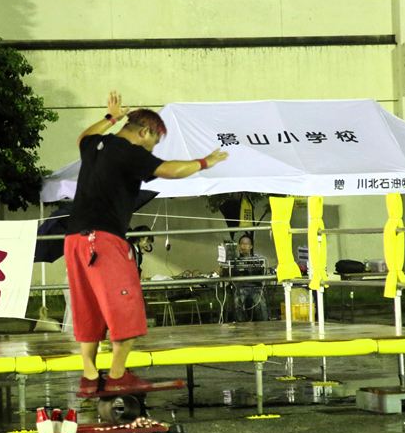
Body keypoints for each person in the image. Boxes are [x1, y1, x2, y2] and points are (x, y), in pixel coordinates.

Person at [65, 91, 228, 396]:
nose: (153, 148)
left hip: (75, 240)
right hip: (104, 240)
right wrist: (205, 162)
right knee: (126, 306)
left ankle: (89, 377)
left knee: (88, 308)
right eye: (154, 141)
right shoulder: (130, 152)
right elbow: (170, 170)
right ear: (144, 132)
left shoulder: (96, 145)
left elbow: (82, 137)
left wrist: (111, 118)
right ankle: (117, 375)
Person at [232, 233, 268, 322]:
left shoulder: (257, 259)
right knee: (238, 301)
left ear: (251, 246)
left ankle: (264, 324)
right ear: (239, 246)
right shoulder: (234, 261)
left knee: (260, 302)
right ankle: (241, 324)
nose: (244, 246)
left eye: (246, 244)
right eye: (242, 243)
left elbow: (264, 270)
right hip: (241, 288)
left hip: (256, 288)